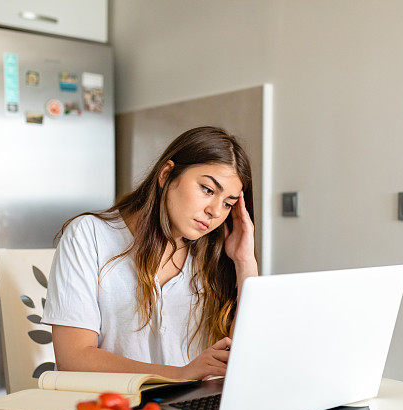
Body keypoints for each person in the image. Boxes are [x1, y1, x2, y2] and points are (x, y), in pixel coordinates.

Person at [41, 126, 257, 381]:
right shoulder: (89, 235)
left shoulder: (213, 254)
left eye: (228, 203)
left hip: (187, 408)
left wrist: (245, 262)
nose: (215, 211)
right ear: (167, 174)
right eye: (208, 190)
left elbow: (245, 358)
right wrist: (180, 375)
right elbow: (73, 359)